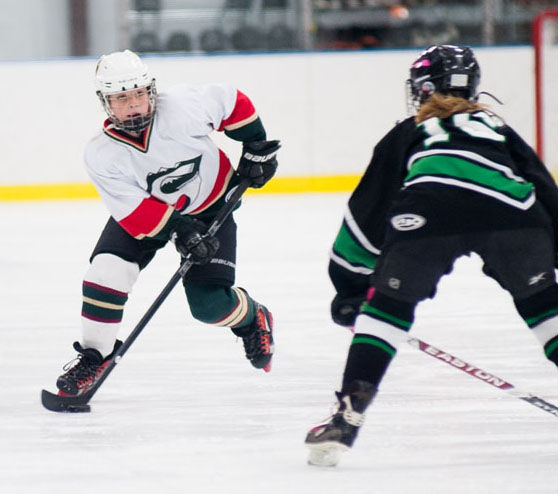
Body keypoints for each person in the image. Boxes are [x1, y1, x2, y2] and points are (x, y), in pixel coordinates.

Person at [305, 44, 558, 466]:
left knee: (384, 312)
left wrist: (351, 285)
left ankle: (348, 416)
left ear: (421, 88)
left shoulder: (411, 132)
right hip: (513, 217)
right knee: (547, 312)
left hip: (430, 212)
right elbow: (544, 189)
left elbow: (368, 210)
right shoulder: (496, 128)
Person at [53, 49, 280, 397]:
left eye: (139, 94)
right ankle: (95, 356)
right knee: (106, 272)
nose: (134, 105)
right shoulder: (101, 153)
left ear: (151, 91)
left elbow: (232, 102)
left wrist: (256, 145)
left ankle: (253, 318)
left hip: (210, 207)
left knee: (209, 307)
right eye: (121, 98)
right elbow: (133, 212)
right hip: (152, 214)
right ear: (106, 102)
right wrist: (178, 230)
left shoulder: (183, 106)